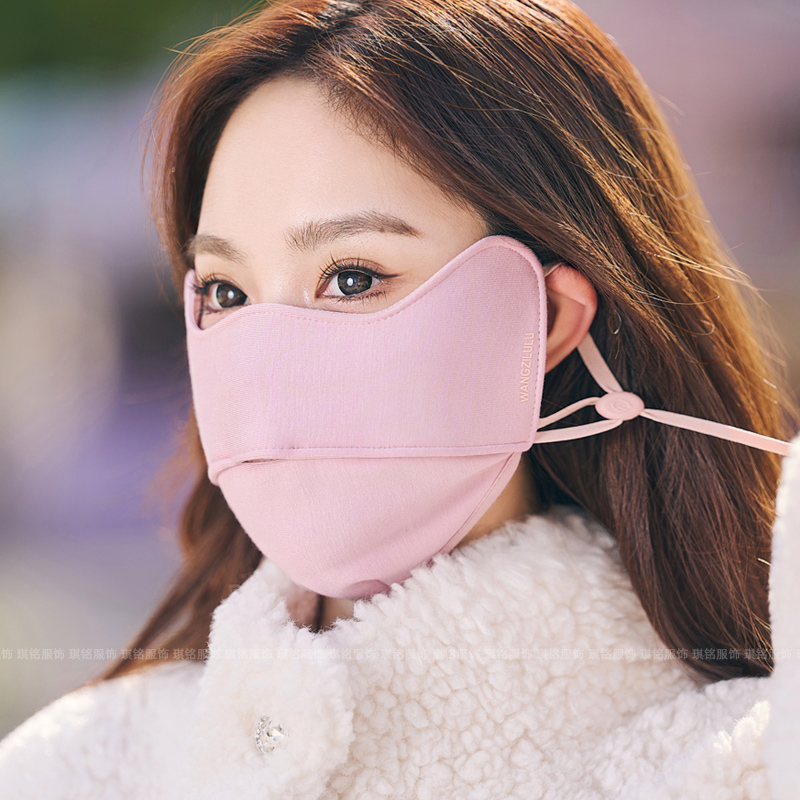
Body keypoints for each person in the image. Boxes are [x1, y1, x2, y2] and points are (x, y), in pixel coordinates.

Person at [1, 0, 799, 797]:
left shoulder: (741, 767)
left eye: (352, 277)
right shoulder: (75, 769)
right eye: (225, 292)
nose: (269, 362)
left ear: (549, 318)